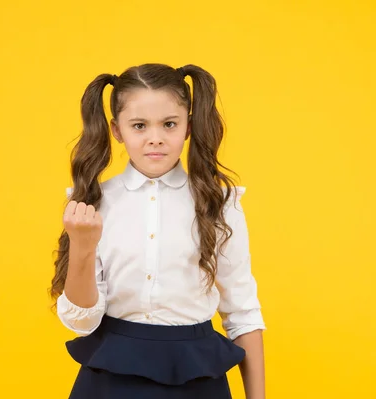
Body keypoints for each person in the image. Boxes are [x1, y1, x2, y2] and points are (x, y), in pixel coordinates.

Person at [50, 63, 266, 399]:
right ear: (117, 130)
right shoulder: (93, 204)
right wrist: (82, 245)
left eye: (169, 124)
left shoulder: (220, 204)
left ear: (188, 127)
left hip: (197, 381)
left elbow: (243, 313)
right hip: (110, 380)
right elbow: (82, 322)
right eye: (139, 125)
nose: (156, 138)